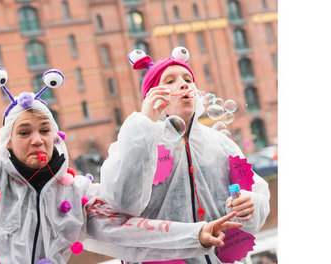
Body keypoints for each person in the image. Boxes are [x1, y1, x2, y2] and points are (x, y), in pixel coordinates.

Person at [0, 6, 243, 263]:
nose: (37, 139)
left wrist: (195, 233)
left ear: (56, 135)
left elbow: (125, 229)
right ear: (8, 140)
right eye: (24, 131)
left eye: (44, 129)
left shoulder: (74, 192)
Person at [99, 48, 271, 263]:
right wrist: (144, 126)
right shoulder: (135, 143)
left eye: (188, 79)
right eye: (169, 81)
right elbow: (121, 202)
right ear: (152, 96)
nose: (183, 84)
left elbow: (255, 192)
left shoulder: (220, 143)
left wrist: (251, 204)